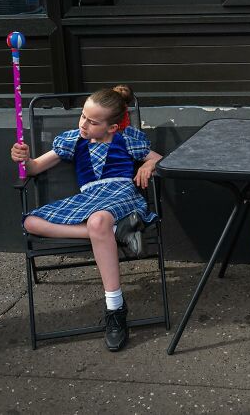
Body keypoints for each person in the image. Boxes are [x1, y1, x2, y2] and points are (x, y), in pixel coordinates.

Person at [10, 85, 162, 351]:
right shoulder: (72, 140)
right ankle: (116, 232)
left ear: (112, 127)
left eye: (92, 122)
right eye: (82, 116)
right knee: (30, 222)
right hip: (88, 199)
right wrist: (23, 159)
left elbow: (160, 159)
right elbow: (35, 168)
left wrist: (149, 164)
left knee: (97, 222)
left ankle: (115, 309)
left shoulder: (126, 138)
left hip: (120, 194)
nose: (83, 124)